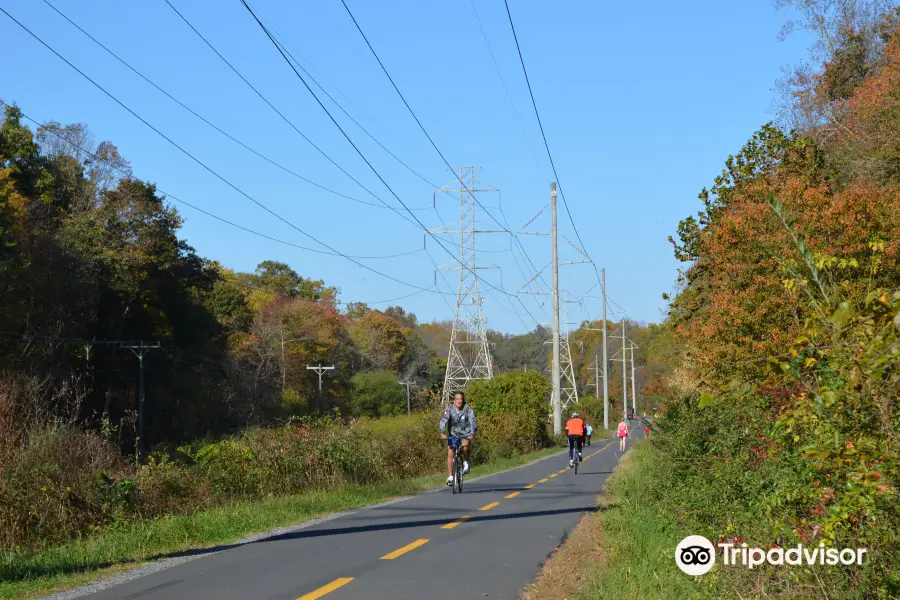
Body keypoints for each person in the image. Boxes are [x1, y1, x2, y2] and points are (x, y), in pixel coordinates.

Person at [440, 391, 477, 486]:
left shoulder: (468, 409)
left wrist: (472, 433)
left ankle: (466, 461)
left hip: (465, 433)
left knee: (465, 447)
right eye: (458, 399)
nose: (460, 401)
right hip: (453, 434)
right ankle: (450, 477)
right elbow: (444, 420)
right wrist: (442, 432)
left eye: (461, 399)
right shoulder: (449, 409)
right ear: (454, 400)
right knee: (451, 451)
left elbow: (473, 421)